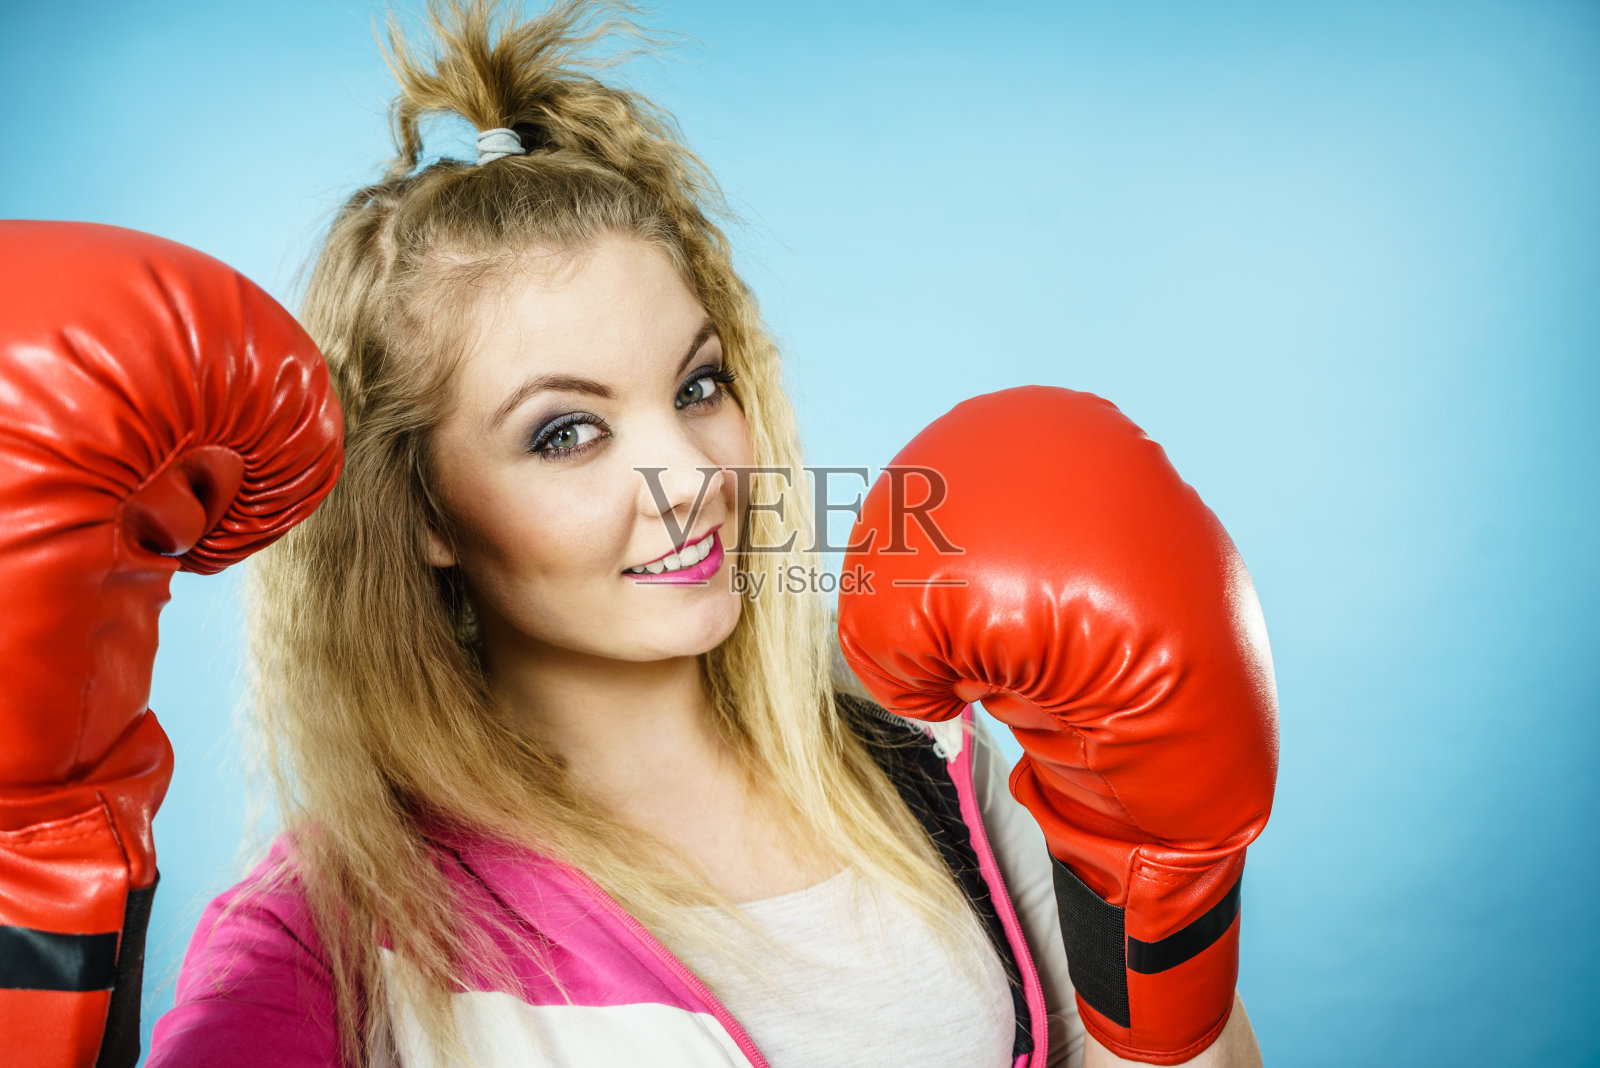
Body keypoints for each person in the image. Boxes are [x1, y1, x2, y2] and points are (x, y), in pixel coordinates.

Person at [146, 2, 1268, 1066]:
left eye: (696, 387)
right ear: (425, 512)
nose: (689, 478)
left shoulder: (918, 755)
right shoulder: (333, 929)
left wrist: (1165, 890)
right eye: (567, 432)